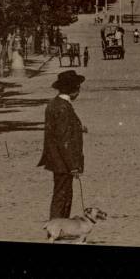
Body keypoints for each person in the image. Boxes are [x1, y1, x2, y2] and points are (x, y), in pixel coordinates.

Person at [38, 70, 87, 219]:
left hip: (57, 158)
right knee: (63, 195)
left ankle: (61, 227)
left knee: (64, 193)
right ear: (74, 89)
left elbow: (60, 129)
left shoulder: (55, 103)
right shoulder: (64, 107)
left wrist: (78, 128)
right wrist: (73, 165)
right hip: (63, 161)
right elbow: (63, 139)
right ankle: (57, 227)